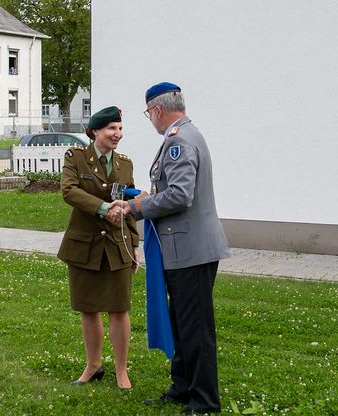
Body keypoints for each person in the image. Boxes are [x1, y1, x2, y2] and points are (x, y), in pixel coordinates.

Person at [111, 83, 230, 414]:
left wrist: (137, 208)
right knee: (181, 322)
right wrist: (145, 199)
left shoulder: (179, 141)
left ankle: (204, 401)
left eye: (149, 113)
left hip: (191, 250)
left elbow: (180, 195)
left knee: (195, 328)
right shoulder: (185, 134)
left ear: (158, 110)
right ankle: (182, 387)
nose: (150, 119)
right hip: (187, 249)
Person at [57, 106, 140, 390]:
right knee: (88, 308)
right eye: (111, 129)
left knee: (119, 308)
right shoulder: (75, 158)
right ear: (95, 131)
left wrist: (135, 245)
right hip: (84, 245)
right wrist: (104, 208)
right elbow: (69, 191)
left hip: (118, 244)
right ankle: (93, 365)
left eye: (119, 129)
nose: (117, 134)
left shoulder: (125, 164)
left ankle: (121, 370)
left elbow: (128, 208)